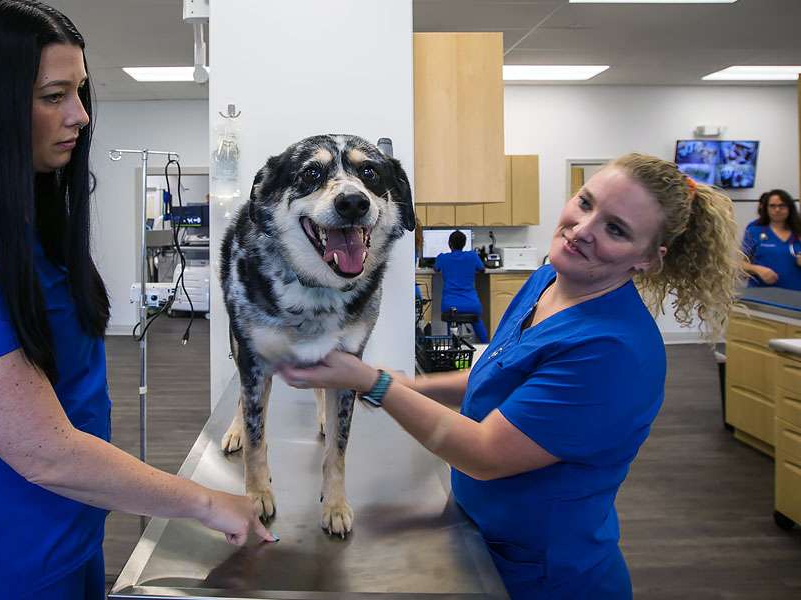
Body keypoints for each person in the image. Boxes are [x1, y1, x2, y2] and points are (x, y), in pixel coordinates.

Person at [0, 2, 272, 598]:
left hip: (64, 539)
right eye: (53, 96)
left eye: (80, 91)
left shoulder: (26, 217)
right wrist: (206, 503)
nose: (80, 116)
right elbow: (44, 453)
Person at [279, 153, 742, 599]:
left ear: (647, 259)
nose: (581, 231)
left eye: (615, 229)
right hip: (481, 538)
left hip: (544, 573)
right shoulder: (549, 281)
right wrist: (409, 385)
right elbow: (497, 373)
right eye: (586, 202)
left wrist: (372, 383)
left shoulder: (611, 352)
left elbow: (485, 454)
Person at [433, 230, 488, 342]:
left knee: (451, 319)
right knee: (477, 319)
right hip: (471, 304)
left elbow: (436, 268)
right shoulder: (472, 256)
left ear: (449, 244)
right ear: (464, 244)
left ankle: (453, 347)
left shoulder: (443, 258)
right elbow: (482, 268)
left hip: (451, 306)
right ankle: (486, 346)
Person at [741, 189, 801, 290]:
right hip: (762, 294)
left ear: (790, 208)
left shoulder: (798, 232)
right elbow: (739, 263)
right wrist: (757, 269)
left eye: (782, 205)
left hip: (795, 296)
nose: (777, 209)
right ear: (766, 208)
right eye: (772, 206)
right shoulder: (754, 231)